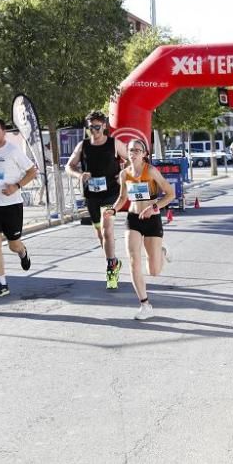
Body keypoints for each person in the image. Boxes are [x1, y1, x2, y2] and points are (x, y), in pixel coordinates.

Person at [103, 138, 176, 321]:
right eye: (130, 150)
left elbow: (170, 194)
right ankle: (145, 305)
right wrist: (113, 209)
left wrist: (155, 208)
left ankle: (161, 250)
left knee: (154, 271)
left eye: (137, 150)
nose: (133, 153)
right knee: (134, 261)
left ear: (144, 154)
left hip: (151, 219)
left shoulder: (150, 171)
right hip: (133, 219)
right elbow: (122, 198)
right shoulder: (124, 174)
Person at [0, 118, 38, 298]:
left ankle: (23, 252)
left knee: (13, 245)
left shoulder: (13, 150)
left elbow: (32, 171)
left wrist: (16, 186)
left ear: (4, 132)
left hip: (11, 205)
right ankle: (2, 284)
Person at [66, 110, 128, 289]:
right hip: (91, 195)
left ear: (104, 126)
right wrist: (79, 175)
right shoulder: (83, 146)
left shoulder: (114, 143)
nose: (93, 130)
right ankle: (114, 261)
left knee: (108, 230)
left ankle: (110, 269)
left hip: (111, 193)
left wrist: (123, 174)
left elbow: (131, 160)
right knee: (101, 235)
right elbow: (69, 167)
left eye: (97, 126)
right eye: (90, 127)